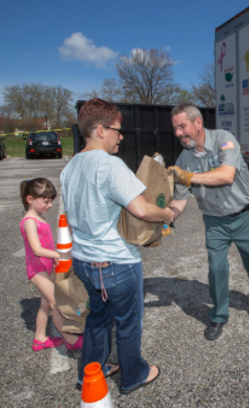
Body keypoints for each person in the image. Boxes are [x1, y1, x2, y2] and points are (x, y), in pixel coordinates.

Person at [60, 98, 174, 394]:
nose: (120, 137)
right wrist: (167, 214)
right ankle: (134, 375)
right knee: (128, 323)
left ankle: (91, 372)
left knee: (98, 318)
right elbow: (142, 210)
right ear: (99, 130)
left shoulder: (70, 166)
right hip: (116, 262)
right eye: (116, 131)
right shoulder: (110, 166)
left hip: (84, 260)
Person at [167, 103, 249, 341]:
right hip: (215, 222)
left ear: (198, 122)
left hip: (245, 216)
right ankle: (219, 315)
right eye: (175, 129)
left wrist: (187, 176)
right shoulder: (184, 158)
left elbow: (226, 174)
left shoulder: (224, 140)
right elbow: (179, 198)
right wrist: (167, 219)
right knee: (216, 269)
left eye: (182, 126)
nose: (178, 134)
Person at [19, 178, 83, 351]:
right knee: (56, 302)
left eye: (51, 201)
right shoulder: (30, 221)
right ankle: (69, 339)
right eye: (46, 201)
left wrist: (52, 257)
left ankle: (39, 338)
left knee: (45, 304)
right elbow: (37, 249)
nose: (49, 205)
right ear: (30, 199)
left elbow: (44, 245)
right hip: (37, 270)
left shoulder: (38, 217)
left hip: (45, 268)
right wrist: (58, 254)